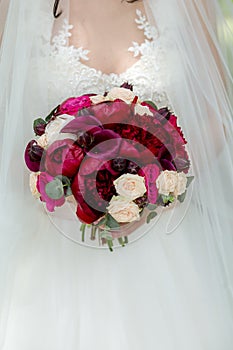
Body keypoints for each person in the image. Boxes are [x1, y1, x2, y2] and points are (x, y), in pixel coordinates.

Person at [0, 0, 233, 349]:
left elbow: (218, 113)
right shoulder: (15, 6)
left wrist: (159, 183)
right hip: (52, 237)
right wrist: (58, 184)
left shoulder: (190, 4)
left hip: (165, 241)